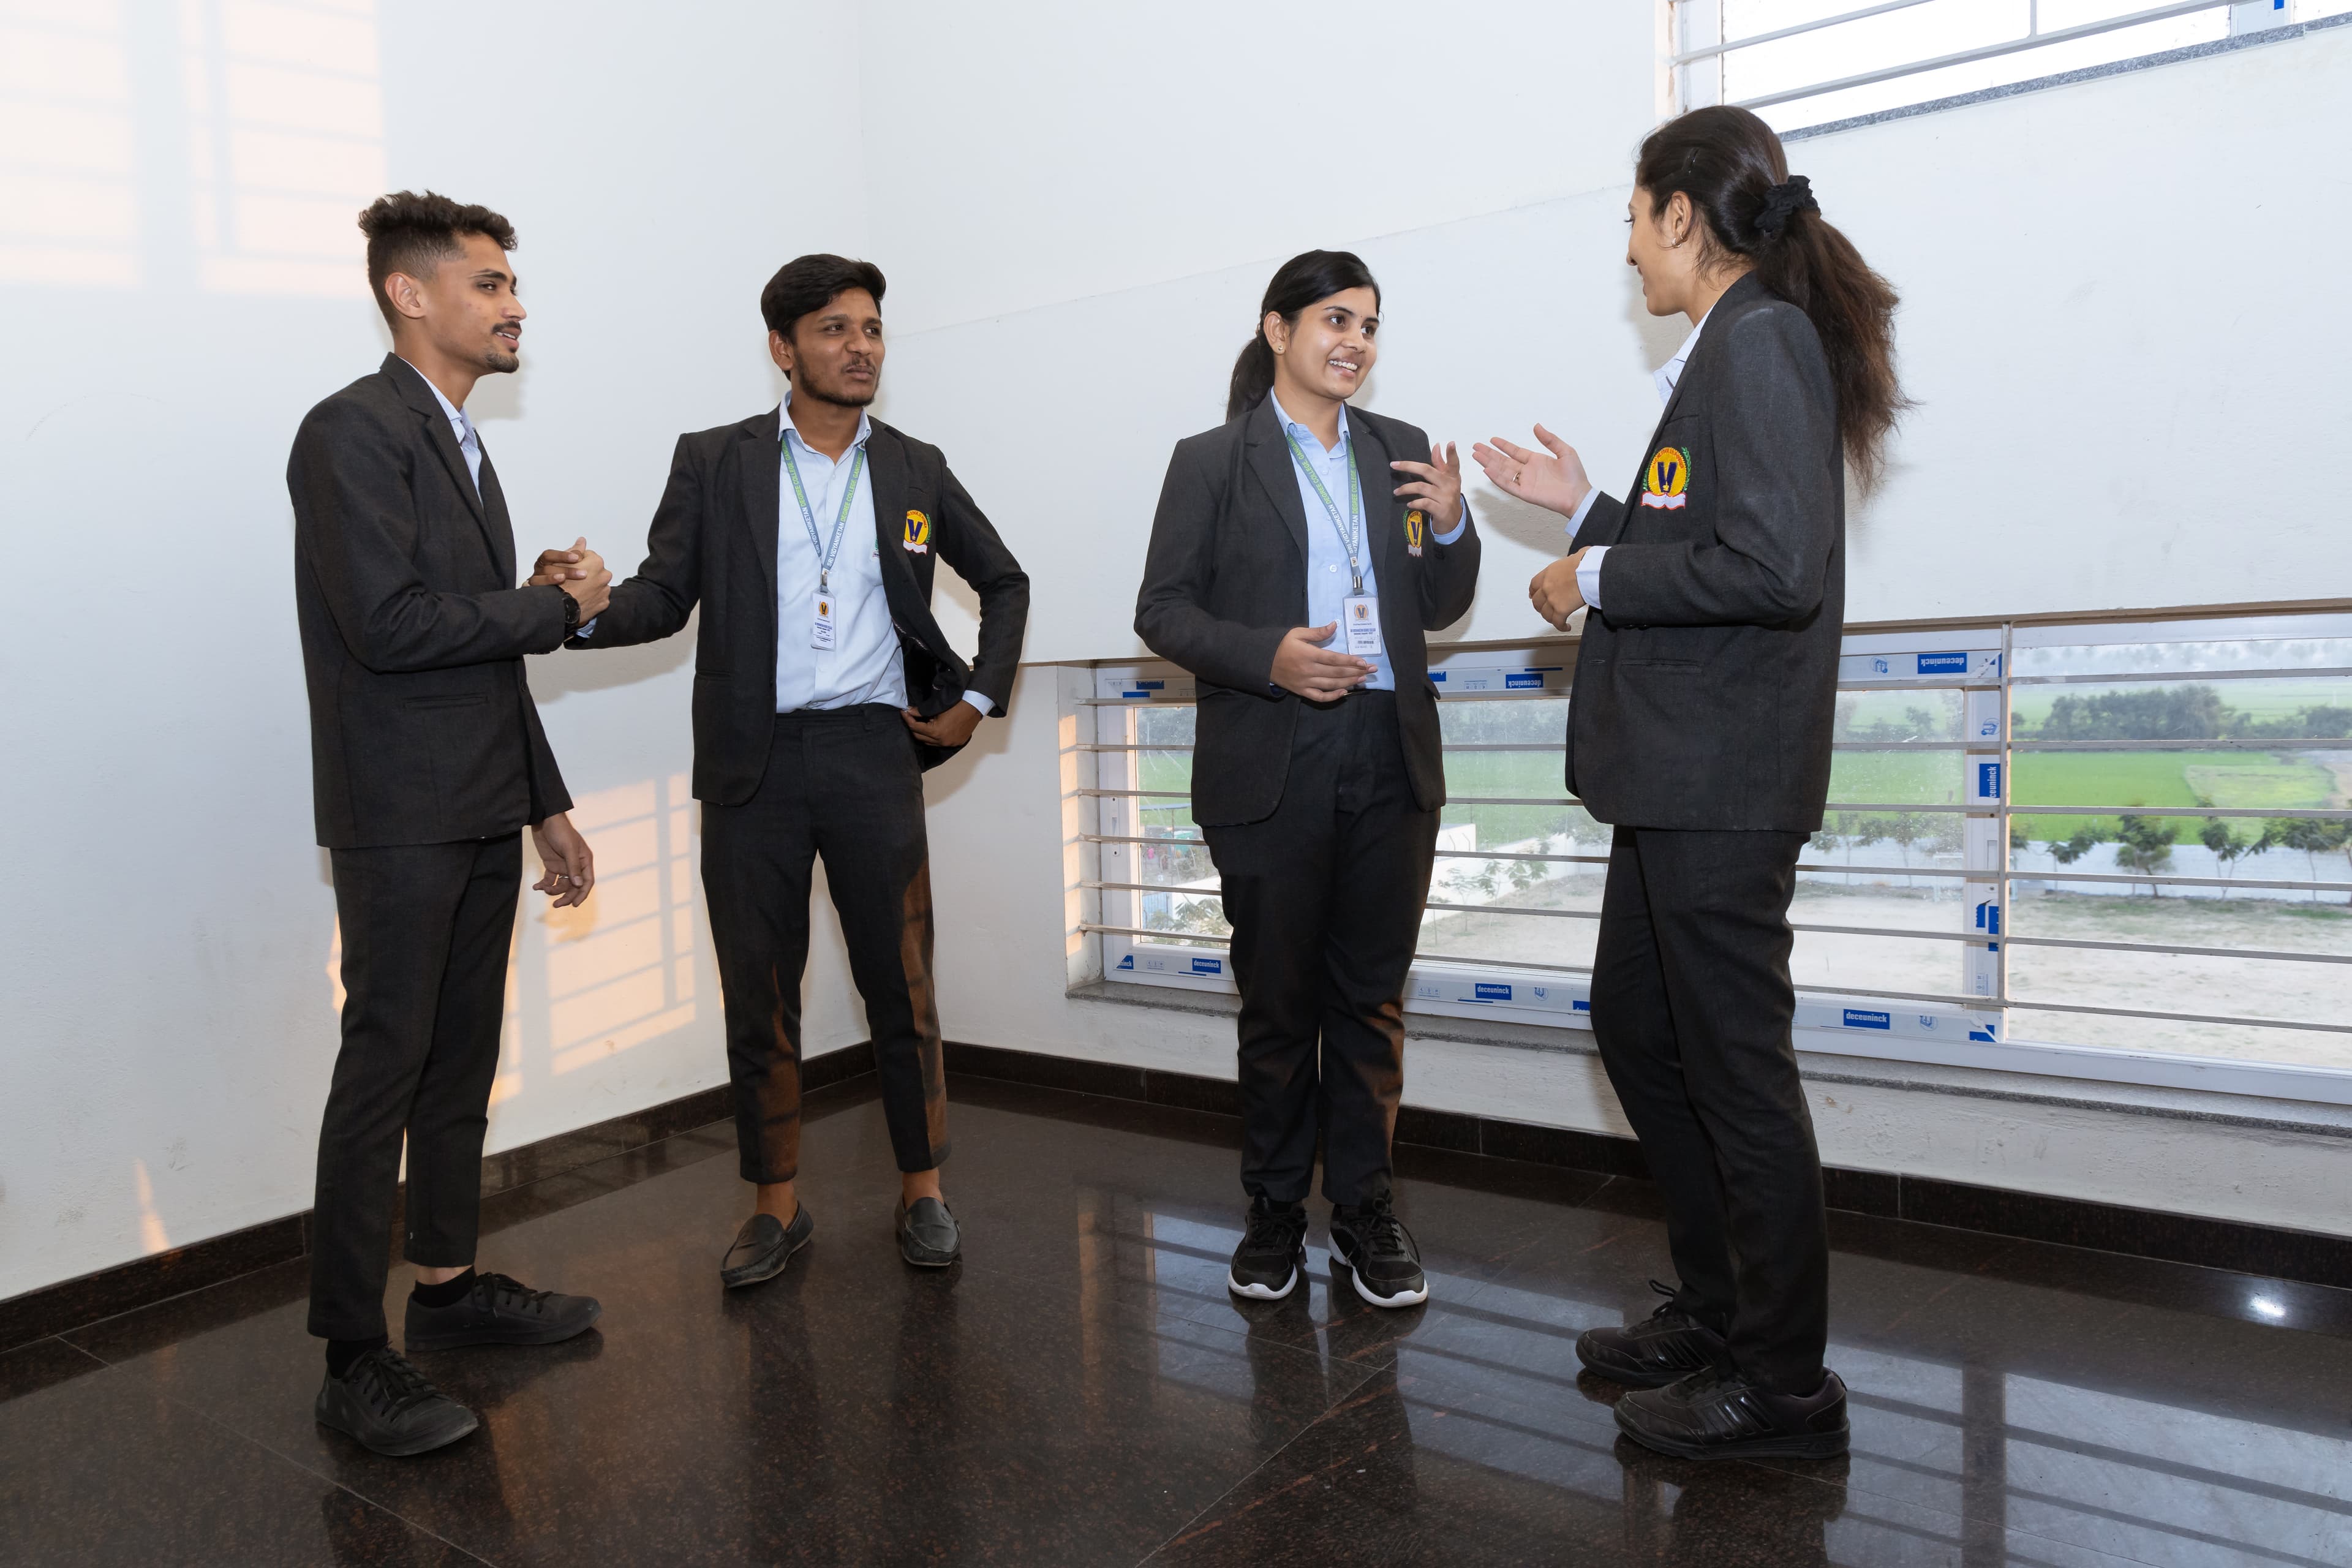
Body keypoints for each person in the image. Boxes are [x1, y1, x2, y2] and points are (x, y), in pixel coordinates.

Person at [1473, 105, 1907, 1461]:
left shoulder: (1761, 339)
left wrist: (1592, 572)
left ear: (1680, 214)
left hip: (1723, 780)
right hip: (1678, 779)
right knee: (1642, 1030)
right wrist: (1589, 512)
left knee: (1734, 1073)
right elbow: (1708, 543)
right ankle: (1722, 1310)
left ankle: (1783, 1384)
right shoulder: (1730, 347)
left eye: (1633, 219)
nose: (1628, 248)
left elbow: (1771, 568)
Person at [541, 254, 1027, 1284]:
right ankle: (774, 1207)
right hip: (750, 763)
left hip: (871, 753)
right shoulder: (715, 461)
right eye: (835, 329)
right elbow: (664, 595)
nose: (861, 347)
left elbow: (1004, 580)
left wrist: (977, 700)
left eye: (872, 329)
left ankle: (924, 1191)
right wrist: (580, 610)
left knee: (901, 984)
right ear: (783, 348)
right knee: (758, 993)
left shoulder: (914, 467)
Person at [290, 191, 609, 1457]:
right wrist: (560, 607)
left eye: (511, 283)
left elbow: (476, 650)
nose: (514, 304)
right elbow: (391, 626)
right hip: (400, 812)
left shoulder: (462, 442)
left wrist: (545, 803)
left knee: (461, 1060)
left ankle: (447, 1287)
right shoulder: (350, 432)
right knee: (385, 1068)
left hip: (480, 800)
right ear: (408, 294)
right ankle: (349, 1356)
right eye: (488, 283)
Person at [1135, 250, 1481, 1310]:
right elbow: (1162, 610)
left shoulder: (1400, 448)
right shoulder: (1211, 461)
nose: (1355, 342)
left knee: (1370, 1002)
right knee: (1280, 1005)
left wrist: (1454, 523)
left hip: (1387, 749)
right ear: (1278, 330)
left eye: (1369, 325)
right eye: (1335, 320)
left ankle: (1366, 1215)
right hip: (1272, 753)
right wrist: (1268, 657)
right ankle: (1276, 1210)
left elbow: (1436, 605)